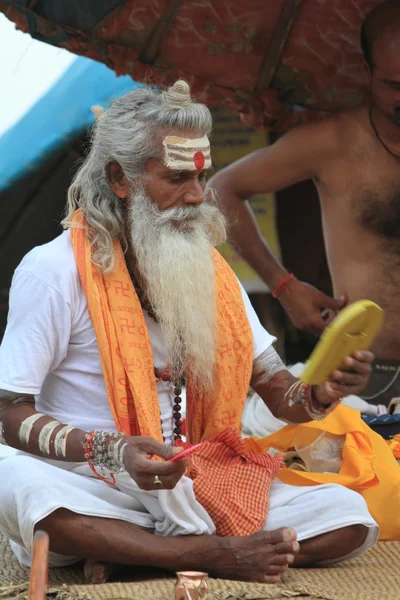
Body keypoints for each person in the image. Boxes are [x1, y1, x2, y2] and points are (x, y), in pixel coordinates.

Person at [0, 80, 378, 585]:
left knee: (348, 517)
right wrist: (111, 451)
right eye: (177, 177)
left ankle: (147, 558)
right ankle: (215, 555)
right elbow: (7, 410)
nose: (197, 197)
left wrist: (322, 390)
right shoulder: (51, 271)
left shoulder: (209, 271)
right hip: (95, 483)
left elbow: (278, 393)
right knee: (20, 484)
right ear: (119, 178)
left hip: (198, 479)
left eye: (202, 177)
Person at [209, 0, 400, 407]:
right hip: (361, 375)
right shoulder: (334, 142)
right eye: (395, 86)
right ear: (367, 73)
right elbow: (221, 189)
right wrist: (283, 286)